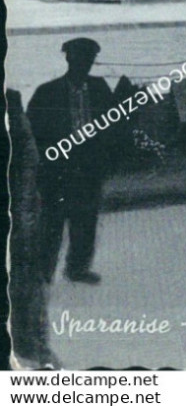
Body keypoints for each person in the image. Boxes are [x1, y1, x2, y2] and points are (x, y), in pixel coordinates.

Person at [27, 38, 116, 285]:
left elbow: (112, 125)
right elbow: (33, 132)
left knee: (86, 222)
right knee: (51, 223)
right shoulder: (46, 92)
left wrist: (103, 160)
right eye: (79, 59)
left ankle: (77, 269)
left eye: (88, 60)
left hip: (88, 169)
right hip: (57, 170)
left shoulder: (100, 88)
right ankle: (43, 273)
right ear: (68, 59)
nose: (84, 65)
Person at [8, 89, 59, 368]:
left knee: (28, 285)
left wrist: (24, 217)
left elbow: (28, 161)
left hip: (18, 217)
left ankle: (37, 353)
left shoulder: (10, 103)